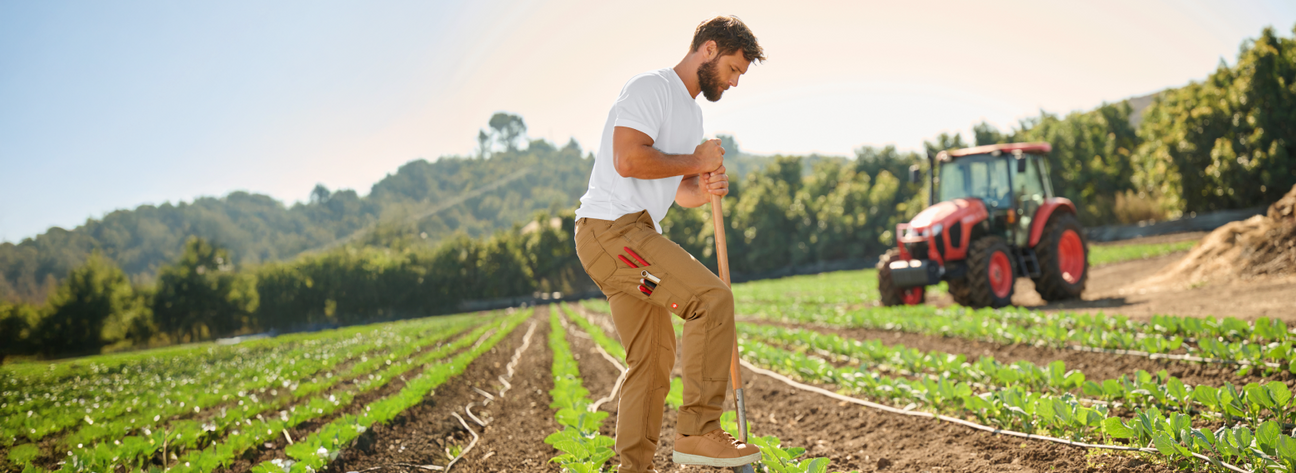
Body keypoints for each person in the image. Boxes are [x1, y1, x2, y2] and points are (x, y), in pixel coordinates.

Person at [572, 15, 765, 473]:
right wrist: (696, 159)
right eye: (734, 70)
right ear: (709, 49)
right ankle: (699, 432)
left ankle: (633, 468)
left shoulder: (692, 112)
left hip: (633, 234)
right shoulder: (651, 87)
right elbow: (628, 159)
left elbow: (679, 190)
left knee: (653, 362)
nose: (735, 83)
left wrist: (705, 185)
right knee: (712, 300)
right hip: (614, 230)